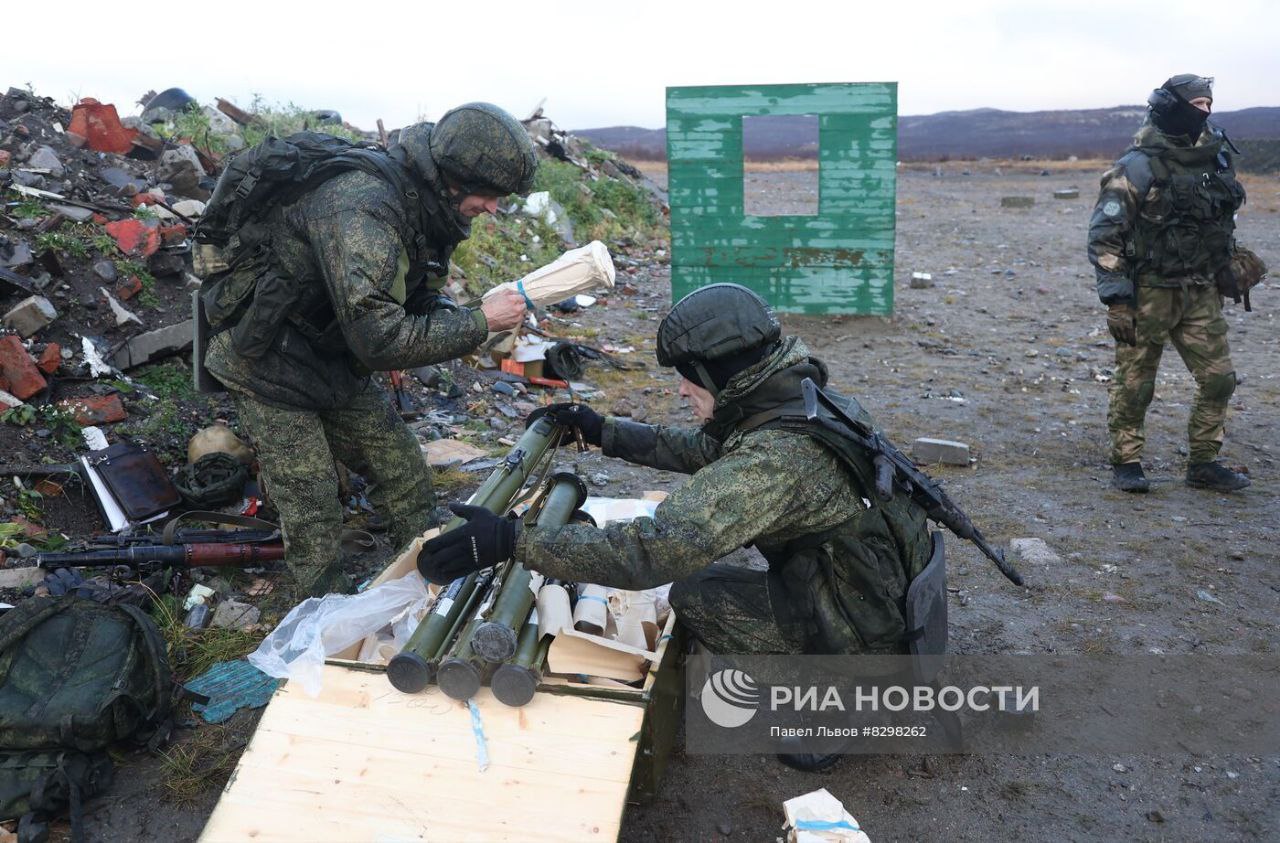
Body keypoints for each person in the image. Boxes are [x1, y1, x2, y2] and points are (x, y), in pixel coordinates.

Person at [417, 283, 939, 769]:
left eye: (691, 377)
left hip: (869, 633)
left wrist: (511, 539)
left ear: (721, 374)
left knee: (696, 595)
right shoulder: (801, 400)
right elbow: (712, 451)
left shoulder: (777, 459)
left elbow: (651, 553)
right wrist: (604, 431)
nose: (684, 390)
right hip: (873, 594)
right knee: (707, 584)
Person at [201, 102, 536, 596]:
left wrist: (454, 311)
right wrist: (480, 322)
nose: (493, 208)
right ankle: (323, 621)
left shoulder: (427, 206)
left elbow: (412, 294)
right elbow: (380, 339)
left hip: (332, 358)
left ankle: (431, 588)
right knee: (313, 507)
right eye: (489, 195)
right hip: (267, 363)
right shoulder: (362, 204)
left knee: (403, 473)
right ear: (456, 177)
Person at [1088, 74, 1254, 494]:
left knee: (1219, 379)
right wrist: (1117, 299)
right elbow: (1105, 236)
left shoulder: (1217, 158)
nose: (1205, 112)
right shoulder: (1137, 165)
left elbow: (1220, 220)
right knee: (1136, 381)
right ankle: (1127, 461)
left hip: (1200, 290)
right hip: (1149, 292)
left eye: (1209, 104)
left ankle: (1204, 462)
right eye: (1197, 104)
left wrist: (1230, 260)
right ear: (1170, 106)